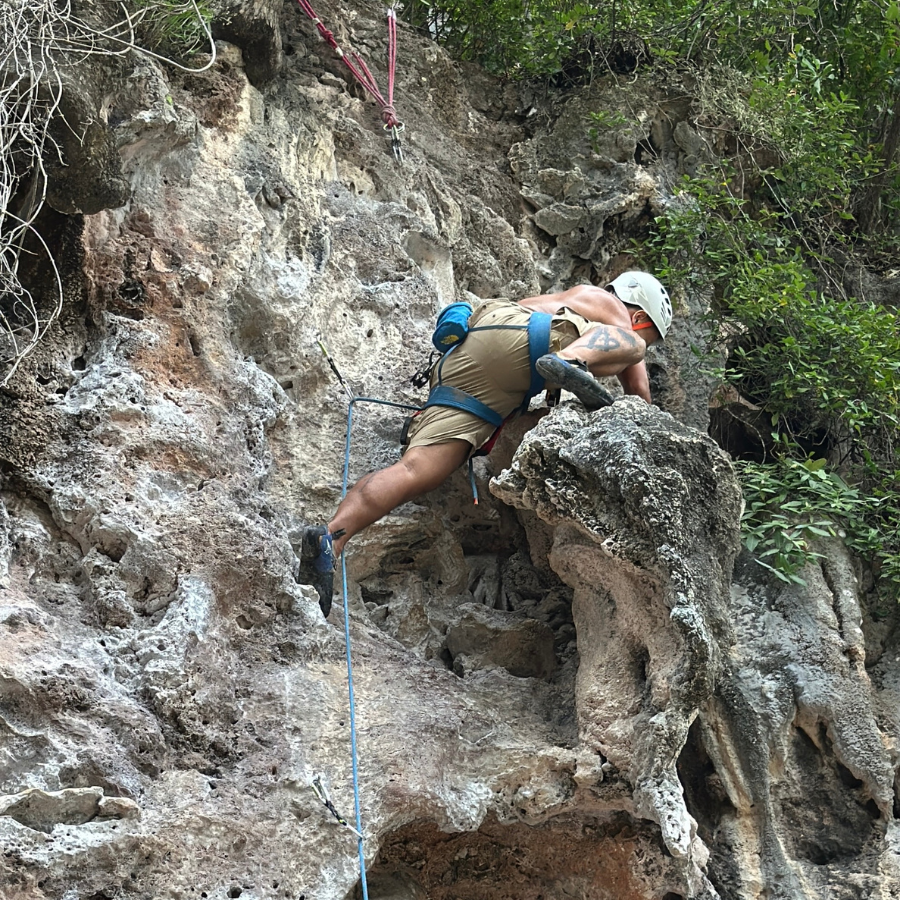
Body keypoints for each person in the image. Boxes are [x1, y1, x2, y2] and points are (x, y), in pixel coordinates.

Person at [301, 272, 672, 615]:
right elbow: (638, 392)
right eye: (649, 333)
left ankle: (331, 539)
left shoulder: (560, 297)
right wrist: (637, 352)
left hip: (465, 359)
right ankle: (572, 360)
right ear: (641, 315)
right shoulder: (606, 303)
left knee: (417, 470)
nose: (642, 340)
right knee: (629, 346)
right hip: (527, 341)